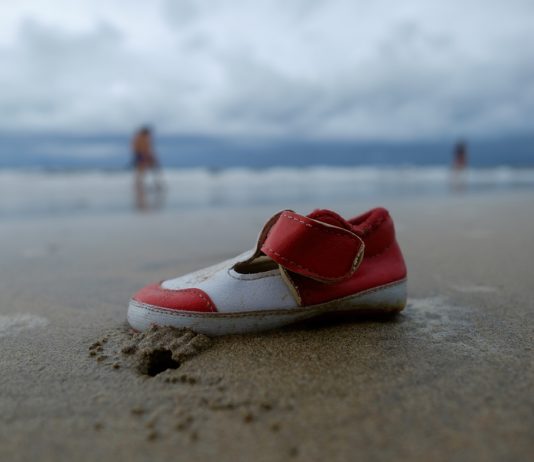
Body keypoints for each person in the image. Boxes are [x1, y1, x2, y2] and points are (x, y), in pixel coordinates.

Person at [131, 126, 164, 210]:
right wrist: (140, 155)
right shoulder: (139, 138)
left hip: (146, 156)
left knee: (151, 171)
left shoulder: (145, 138)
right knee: (141, 172)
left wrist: (152, 156)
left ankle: (156, 184)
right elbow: (137, 148)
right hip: (142, 157)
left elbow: (149, 148)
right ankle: (139, 186)